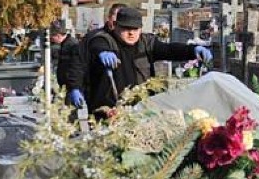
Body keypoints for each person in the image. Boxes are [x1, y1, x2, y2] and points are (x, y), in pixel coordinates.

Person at [73, 7, 212, 116]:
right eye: (126, 28)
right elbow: (94, 47)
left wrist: (193, 50)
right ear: (115, 26)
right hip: (107, 111)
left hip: (140, 109)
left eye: (135, 29)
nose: (131, 33)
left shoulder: (146, 43)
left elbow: (168, 49)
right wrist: (75, 88)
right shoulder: (104, 40)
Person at [49, 19, 79, 88]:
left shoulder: (72, 44)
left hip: (70, 84)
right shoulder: (65, 43)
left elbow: (75, 65)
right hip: (66, 83)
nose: (51, 38)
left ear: (58, 36)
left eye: (52, 36)